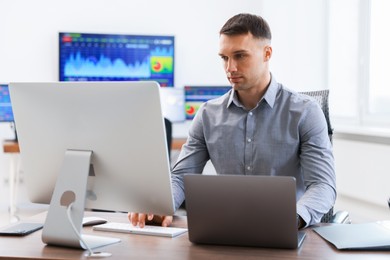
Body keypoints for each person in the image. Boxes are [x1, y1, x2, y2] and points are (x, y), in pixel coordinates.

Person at [129, 13, 336, 229]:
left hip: (285, 233)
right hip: (227, 229)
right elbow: (181, 176)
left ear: (267, 53)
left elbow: (323, 186)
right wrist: (160, 206)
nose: (230, 68)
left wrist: (291, 219)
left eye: (240, 56)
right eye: (224, 58)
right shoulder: (208, 115)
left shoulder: (305, 112)